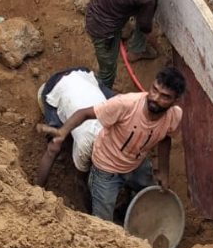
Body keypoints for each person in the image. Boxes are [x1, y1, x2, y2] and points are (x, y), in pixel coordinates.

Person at [44, 67, 185, 222]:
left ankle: (127, 210)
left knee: (153, 196)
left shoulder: (174, 115)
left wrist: (164, 172)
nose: (155, 98)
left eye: (164, 96)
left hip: (137, 165)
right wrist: (63, 132)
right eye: (154, 90)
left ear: (175, 100)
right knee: (104, 225)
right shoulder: (126, 104)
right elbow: (84, 113)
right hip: (107, 170)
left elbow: (166, 137)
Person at [83, 0, 171, 89]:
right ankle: (102, 98)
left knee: (149, 5)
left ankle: (136, 51)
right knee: (108, 72)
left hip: (96, 9)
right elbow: (146, 30)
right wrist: (161, 53)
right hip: (103, 31)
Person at [33, 67, 114, 188]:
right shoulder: (85, 143)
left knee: (116, 102)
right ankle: (38, 187)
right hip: (57, 84)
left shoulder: (120, 123)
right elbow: (80, 181)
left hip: (85, 76)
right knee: (53, 148)